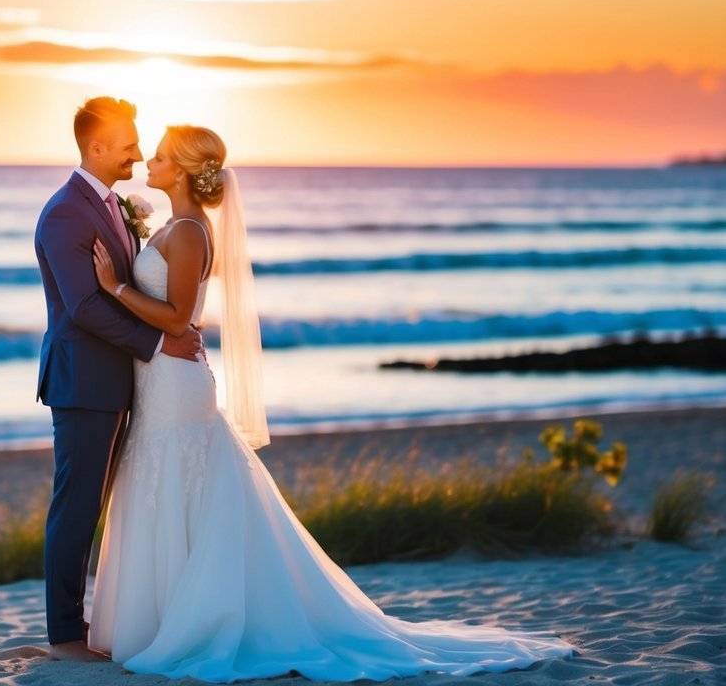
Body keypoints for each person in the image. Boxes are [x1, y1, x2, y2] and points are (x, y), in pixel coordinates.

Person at [88, 124, 576, 682]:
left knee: (174, 486)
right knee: (168, 491)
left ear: (182, 169)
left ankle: (180, 626)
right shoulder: (177, 225)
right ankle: (158, 622)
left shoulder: (192, 231)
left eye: (159, 156)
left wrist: (114, 288)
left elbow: (178, 319)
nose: (149, 161)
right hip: (162, 381)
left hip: (176, 386)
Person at [33, 96, 203, 663]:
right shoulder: (66, 212)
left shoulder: (110, 206)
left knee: (97, 506)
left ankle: (93, 626)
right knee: (76, 506)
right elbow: (84, 306)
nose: (135, 151)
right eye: (128, 143)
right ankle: (63, 637)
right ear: (97, 147)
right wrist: (159, 343)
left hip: (122, 381)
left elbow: (128, 292)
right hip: (83, 382)